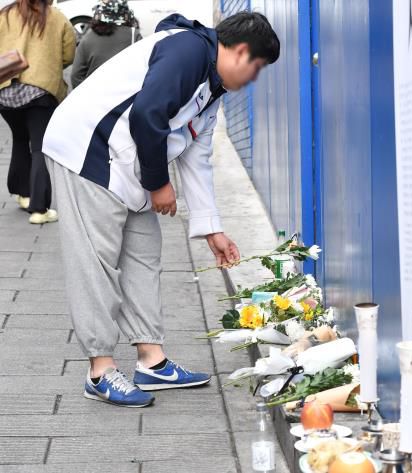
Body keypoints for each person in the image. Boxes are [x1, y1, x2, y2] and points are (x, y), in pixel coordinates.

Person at [42, 12, 280, 408]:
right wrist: (158, 183)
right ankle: (100, 370)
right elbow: (147, 112)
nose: (254, 79)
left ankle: (151, 360)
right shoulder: (188, 51)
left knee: (143, 254)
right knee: (96, 261)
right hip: (87, 150)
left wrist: (212, 229)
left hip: (127, 161)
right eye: (257, 67)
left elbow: (197, 158)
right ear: (240, 52)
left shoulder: (211, 87)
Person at [0, 0, 75, 223]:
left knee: (20, 138)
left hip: (5, 89)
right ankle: (39, 210)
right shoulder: (56, 17)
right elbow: (68, 55)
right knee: (40, 147)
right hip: (41, 91)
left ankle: (23, 194)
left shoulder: (5, 15)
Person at [70, 0, 141, 89]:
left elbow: (76, 75)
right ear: (126, 13)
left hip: (95, 93)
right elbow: (144, 69)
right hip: (126, 92)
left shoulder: (87, 38)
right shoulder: (134, 35)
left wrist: (87, 93)